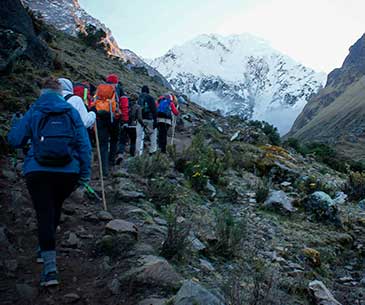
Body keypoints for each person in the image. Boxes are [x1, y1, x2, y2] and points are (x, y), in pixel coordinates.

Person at [7, 77, 91, 287]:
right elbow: (84, 146)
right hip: (68, 172)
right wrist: (84, 175)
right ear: (61, 92)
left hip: (38, 170)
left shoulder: (35, 110)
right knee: (55, 207)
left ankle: (50, 269)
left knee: (44, 212)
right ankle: (45, 248)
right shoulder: (71, 111)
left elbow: (14, 139)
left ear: (42, 92)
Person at [92, 74, 124, 176]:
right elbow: (122, 105)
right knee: (114, 140)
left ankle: (104, 169)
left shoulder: (99, 90)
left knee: (103, 144)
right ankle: (111, 163)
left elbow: (93, 103)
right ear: (116, 82)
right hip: (113, 119)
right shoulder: (117, 90)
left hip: (100, 118)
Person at [117, 93, 145, 162]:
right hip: (132, 125)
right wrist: (143, 124)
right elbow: (139, 118)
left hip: (124, 124)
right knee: (133, 140)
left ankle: (120, 154)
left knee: (122, 140)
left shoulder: (125, 105)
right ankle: (132, 155)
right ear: (136, 99)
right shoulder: (137, 107)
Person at [137, 85, 157, 155]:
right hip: (149, 119)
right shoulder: (150, 98)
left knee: (139, 136)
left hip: (140, 119)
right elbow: (154, 110)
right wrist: (155, 121)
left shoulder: (139, 98)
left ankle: (138, 152)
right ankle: (152, 151)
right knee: (153, 134)